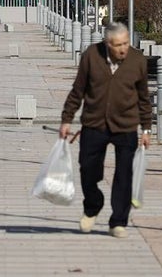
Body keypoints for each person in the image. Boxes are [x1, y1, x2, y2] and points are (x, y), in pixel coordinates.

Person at [59, 22, 152, 238]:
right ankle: (93, 205)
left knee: (124, 175)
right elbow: (78, 90)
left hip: (126, 125)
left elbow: (144, 97)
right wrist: (66, 119)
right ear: (107, 44)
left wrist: (147, 129)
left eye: (126, 43)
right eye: (118, 45)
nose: (123, 49)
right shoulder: (91, 56)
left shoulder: (137, 60)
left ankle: (118, 221)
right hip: (94, 123)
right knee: (87, 169)